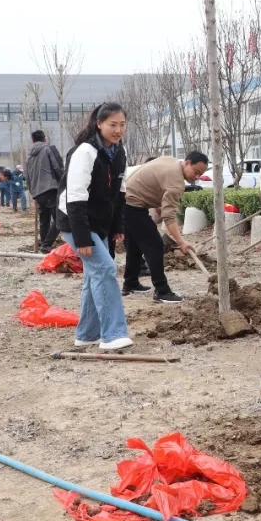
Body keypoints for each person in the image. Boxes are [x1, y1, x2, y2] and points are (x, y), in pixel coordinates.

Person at [55, 102, 133, 351]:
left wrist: (118, 225)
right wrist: (82, 238)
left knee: (94, 275)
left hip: (100, 223)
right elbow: (75, 196)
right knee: (105, 269)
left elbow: (120, 192)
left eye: (122, 125)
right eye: (113, 125)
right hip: (75, 221)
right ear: (99, 124)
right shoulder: (85, 151)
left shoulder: (119, 152)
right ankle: (113, 334)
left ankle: (87, 334)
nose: (118, 130)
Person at [121, 151, 209, 303]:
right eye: (196, 172)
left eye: (200, 174)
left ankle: (130, 283)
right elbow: (169, 217)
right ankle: (162, 291)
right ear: (187, 163)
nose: (197, 177)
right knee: (155, 245)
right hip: (132, 206)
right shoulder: (176, 183)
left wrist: (159, 207)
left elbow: (155, 185)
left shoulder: (171, 161)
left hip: (122, 202)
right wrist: (181, 242)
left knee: (135, 246)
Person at [25, 130, 64, 253]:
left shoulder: (29, 157)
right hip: (51, 189)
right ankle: (46, 244)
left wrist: (33, 194)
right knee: (60, 218)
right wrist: (64, 184)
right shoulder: (49, 149)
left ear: (32, 141)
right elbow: (58, 167)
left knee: (44, 220)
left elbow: (27, 177)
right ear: (45, 139)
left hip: (38, 193)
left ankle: (44, 245)